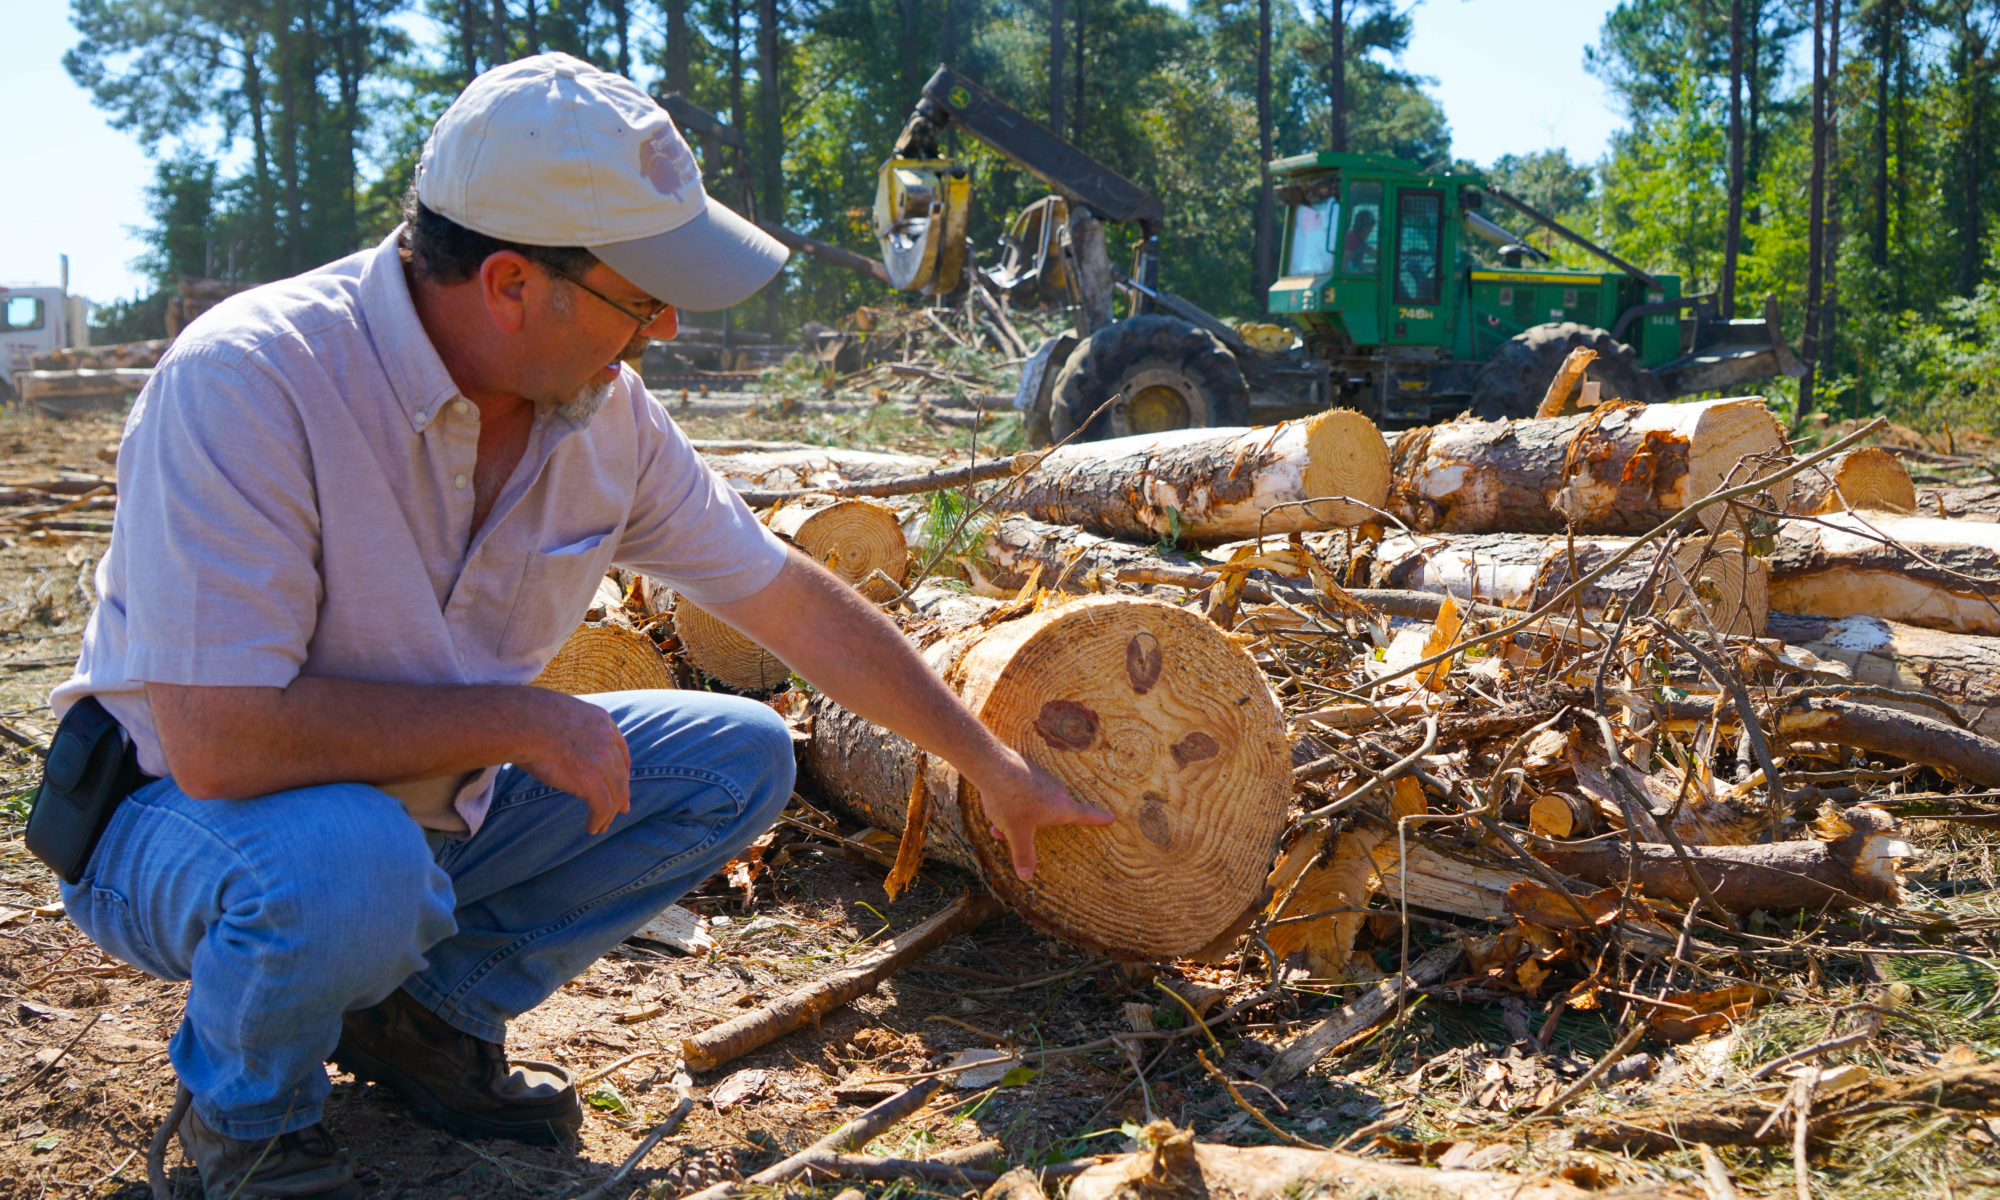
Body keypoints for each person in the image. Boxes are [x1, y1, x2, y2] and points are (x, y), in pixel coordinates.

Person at [46, 53, 1111, 1200]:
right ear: (510, 284)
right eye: (637, 297)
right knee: (346, 865)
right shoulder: (252, 382)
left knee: (736, 757)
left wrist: (991, 767)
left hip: (421, 812)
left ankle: (422, 1020)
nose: (656, 331)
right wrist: (515, 718)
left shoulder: (606, 416)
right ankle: (249, 1125)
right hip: (186, 820)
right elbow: (222, 744)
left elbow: (787, 597)